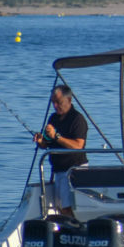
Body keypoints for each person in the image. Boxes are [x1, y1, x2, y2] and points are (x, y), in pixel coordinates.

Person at [34, 85, 88, 218]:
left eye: (59, 102)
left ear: (69, 100)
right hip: (58, 169)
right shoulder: (53, 118)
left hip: (73, 169)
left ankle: (74, 230)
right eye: (53, 102)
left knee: (67, 207)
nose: (56, 106)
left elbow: (78, 146)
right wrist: (41, 141)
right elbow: (48, 143)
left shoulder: (78, 119)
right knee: (60, 206)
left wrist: (56, 136)